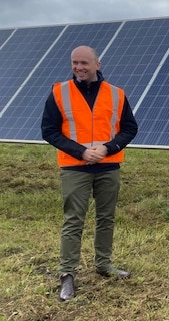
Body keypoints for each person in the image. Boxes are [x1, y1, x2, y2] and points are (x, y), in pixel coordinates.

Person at [41, 45, 138, 301]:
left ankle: (104, 265)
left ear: (98, 64)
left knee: (106, 218)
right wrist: (80, 152)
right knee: (73, 220)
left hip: (108, 165)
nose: (79, 68)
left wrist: (109, 147)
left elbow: (129, 128)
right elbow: (49, 131)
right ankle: (67, 275)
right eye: (75, 63)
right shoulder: (59, 93)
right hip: (75, 167)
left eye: (84, 63)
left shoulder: (116, 94)